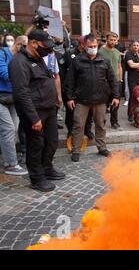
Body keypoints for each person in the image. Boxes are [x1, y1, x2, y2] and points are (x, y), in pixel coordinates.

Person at [9, 29, 65, 192]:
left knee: (52, 141)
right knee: (36, 145)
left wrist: (55, 99)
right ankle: (37, 178)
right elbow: (21, 93)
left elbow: (47, 80)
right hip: (35, 112)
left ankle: (47, 168)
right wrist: (34, 118)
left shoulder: (39, 58)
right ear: (33, 43)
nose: (48, 50)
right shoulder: (19, 63)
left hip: (49, 109)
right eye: (45, 46)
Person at [65, 34, 120, 163]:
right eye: (90, 46)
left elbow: (113, 80)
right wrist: (69, 98)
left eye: (95, 46)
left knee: (101, 124)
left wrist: (116, 96)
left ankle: (102, 147)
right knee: (78, 125)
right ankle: (76, 150)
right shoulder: (77, 61)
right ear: (84, 46)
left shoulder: (104, 60)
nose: (93, 48)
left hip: (100, 99)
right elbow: (70, 81)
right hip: (82, 99)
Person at [0, 40, 28, 176]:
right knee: (8, 128)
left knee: (13, 129)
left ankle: (8, 158)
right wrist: (22, 78)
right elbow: (5, 74)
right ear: (18, 45)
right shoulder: (2, 53)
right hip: (1, 97)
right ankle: (10, 164)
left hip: (12, 98)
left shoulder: (19, 57)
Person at [62, 35, 94, 140]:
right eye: (87, 45)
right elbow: (62, 73)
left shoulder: (90, 55)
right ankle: (71, 131)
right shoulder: (69, 54)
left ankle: (87, 130)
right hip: (72, 89)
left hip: (85, 89)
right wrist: (65, 90)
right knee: (71, 113)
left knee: (89, 112)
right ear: (82, 45)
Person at [98, 32, 122, 129]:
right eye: (111, 39)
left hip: (116, 82)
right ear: (106, 39)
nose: (113, 41)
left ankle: (114, 122)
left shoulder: (117, 52)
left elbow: (119, 66)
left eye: (114, 40)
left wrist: (120, 80)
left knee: (116, 103)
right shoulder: (100, 51)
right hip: (104, 81)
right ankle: (101, 121)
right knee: (103, 103)